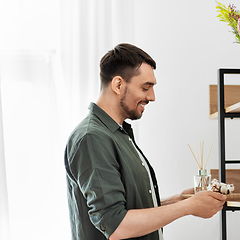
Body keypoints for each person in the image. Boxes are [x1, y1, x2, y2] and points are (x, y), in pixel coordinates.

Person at [64, 43, 226, 240]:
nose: (152, 97)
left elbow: (131, 208)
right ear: (118, 85)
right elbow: (116, 225)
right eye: (145, 87)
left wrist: (178, 200)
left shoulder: (118, 133)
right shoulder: (92, 138)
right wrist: (187, 207)